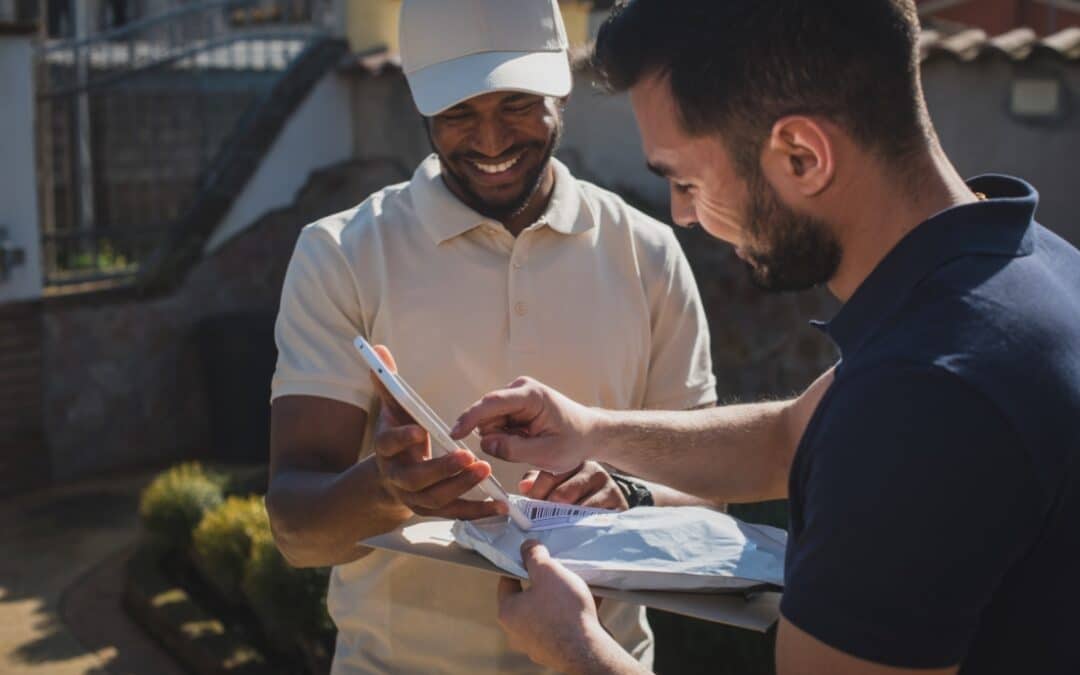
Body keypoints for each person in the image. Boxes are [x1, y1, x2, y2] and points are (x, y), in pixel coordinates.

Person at [449, 1, 1080, 674]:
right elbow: (788, 435)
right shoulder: (1020, 265)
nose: (682, 216)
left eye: (686, 181)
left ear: (801, 155)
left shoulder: (924, 396)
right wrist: (591, 429)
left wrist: (575, 648)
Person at [265, 0, 745, 672]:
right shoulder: (342, 254)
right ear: (421, 107)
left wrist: (631, 492)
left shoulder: (649, 255)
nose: (490, 141)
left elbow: (707, 494)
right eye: (458, 112)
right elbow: (295, 528)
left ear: (562, 88)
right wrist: (386, 489)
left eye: (517, 103)